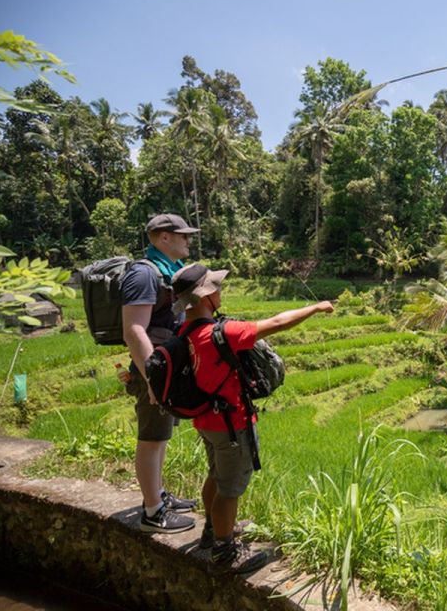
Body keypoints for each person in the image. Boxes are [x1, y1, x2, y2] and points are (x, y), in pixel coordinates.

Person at [171, 263, 334, 573]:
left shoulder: (185, 331)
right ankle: (225, 551)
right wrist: (315, 307)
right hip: (231, 424)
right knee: (230, 489)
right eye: (215, 287)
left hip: (206, 421)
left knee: (216, 476)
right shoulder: (222, 333)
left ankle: (211, 532)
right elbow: (278, 321)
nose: (220, 291)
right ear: (206, 296)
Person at [122, 213, 199, 533]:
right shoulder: (144, 274)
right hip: (152, 369)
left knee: (161, 435)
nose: (188, 240)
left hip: (166, 366)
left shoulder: (167, 272)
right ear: (164, 238)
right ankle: (153, 511)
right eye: (182, 235)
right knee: (151, 438)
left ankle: (159, 495)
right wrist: (153, 378)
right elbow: (134, 330)